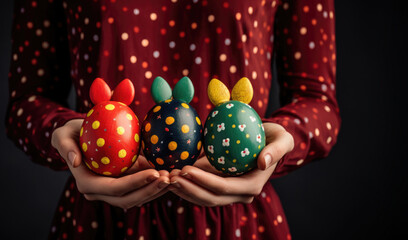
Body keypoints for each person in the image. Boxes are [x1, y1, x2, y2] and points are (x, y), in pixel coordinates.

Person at [6, 0, 339, 239]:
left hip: (238, 220)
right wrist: (64, 138)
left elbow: (318, 101)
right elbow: (26, 101)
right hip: (101, 218)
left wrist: (278, 146)